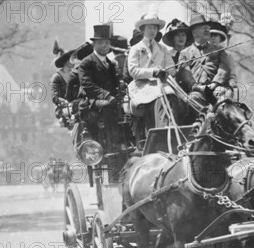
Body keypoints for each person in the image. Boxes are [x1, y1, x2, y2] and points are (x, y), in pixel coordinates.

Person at [127, 11, 177, 139]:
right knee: (161, 97)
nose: (152, 30)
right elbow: (133, 71)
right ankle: (161, 133)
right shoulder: (136, 48)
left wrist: (165, 71)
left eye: (155, 27)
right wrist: (153, 72)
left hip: (162, 83)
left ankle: (174, 130)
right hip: (142, 85)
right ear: (143, 29)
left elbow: (172, 70)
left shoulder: (162, 48)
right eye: (149, 27)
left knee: (175, 96)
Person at [177, 12, 235, 110]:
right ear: (194, 32)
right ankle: (199, 124)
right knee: (193, 99)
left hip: (216, 88)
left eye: (207, 27)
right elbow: (184, 73)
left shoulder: (219, 50)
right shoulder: (184, 53)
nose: (207, 29)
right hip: (196, 91)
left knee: (223, 98)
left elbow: (224, 68)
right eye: (203, 27)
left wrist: (215, 83)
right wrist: (196, 86)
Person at [78, 24, 124, 150]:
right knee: (107, 105)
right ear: (94, 44)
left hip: (110, 99)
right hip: (92, 101)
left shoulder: (110, 63)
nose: (104, 45)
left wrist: (119, 93)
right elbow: (87, 85)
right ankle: (114, 143)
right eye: (101, 42)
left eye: (107, 43)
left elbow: (116, 84)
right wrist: (107, 95)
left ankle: (131, 141)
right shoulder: (86, 62)